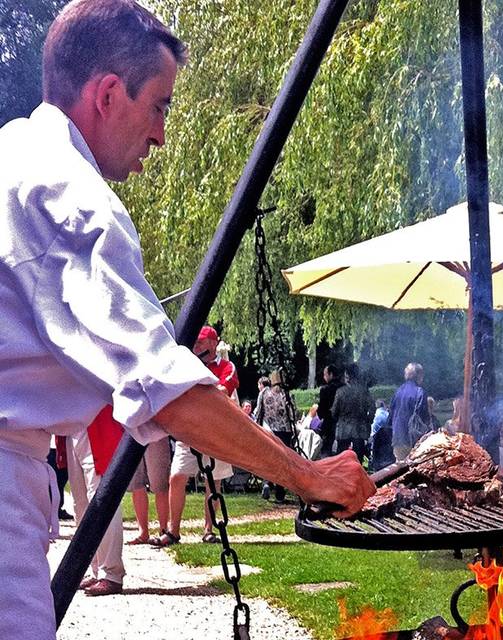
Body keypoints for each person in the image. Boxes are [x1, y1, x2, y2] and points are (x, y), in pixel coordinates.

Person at [0, 3, 372, 634]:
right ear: (110, 94)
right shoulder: (76, 200)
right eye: (160, 106)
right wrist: (308, 476)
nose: (162, 135)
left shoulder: (13, 152)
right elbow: (164, 390)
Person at [159, 326, 240, 543]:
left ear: (213, 343)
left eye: (202, 341)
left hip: (215, 432)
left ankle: (208, 529)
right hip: (189, 432)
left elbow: (225, 388)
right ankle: (173, 530)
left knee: (213, 483)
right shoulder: (188, 365)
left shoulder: (226, 366)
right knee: (176, 476)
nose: (197, 345)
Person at [66, 406, 127, 596]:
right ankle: (94, 569)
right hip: (72, 425)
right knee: (80, 503)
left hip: (95, 420)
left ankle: (111, 574)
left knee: (101, 499)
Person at [256, 370, 297, 503]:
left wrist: (258, 427)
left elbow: (259, 411)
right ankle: (280, 492)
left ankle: (267, 482)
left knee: (268, 458)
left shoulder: (264, 392)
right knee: (282, 461)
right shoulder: (286, 394)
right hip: (285, 431)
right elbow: (293, 413)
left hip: (269, 430)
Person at [126, 437, 172, 547]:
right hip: (130, 434)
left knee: (160, 483)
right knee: (136, 484)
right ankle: (143, 533)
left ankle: (163, 530)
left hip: (155, 432)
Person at [332, 363, 375, 461]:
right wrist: (369, 420)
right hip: (360, 429)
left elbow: (334, 411)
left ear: (347, 375)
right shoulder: (364, 391)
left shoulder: (340, 392)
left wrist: (338, 419)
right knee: (358, 457)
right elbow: (372, 407)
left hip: (343, 429)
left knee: (341, 458)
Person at [389, 362, 430, 460]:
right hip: (413, 440)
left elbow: (390, 416)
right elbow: (423, 417)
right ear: (419, 375)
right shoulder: (420, 392)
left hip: (397, 438)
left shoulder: (398, 391)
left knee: (399, 468)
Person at [316, 364, 344, 456]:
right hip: (343, 425)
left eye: (325, 374)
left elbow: (321, 409)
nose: (324, 377)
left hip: (329, 424)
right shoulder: (345, 388)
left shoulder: (325, 389)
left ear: (331, 374)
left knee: (326, 450)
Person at [369, 399, 394, 471]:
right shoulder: (387, 414)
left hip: (375, 440)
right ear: (384, 405)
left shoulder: (375, 414)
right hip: (387, 441)